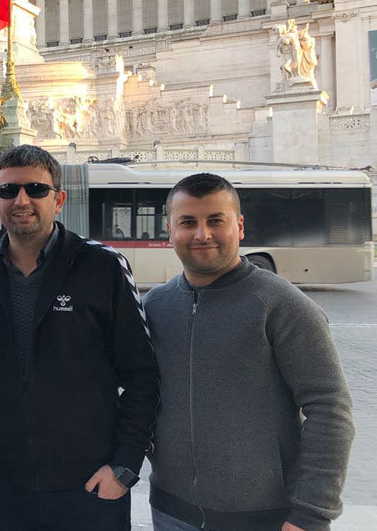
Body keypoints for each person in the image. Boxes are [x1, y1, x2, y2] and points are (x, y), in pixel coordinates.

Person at [0, 145, 158, 531]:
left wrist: (124, 467)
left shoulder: (103, 265)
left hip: (89, 485)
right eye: (8, 191)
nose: (21, 200)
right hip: (6, 485)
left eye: (36, 189)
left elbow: (142, 375)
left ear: (59, 199)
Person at [144, 174, 354, 531]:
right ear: (169, 230)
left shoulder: (283, 305)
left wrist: (312, 513)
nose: (202, 234)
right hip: (170, 513)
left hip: (266, 519)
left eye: (215, 221)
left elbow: (330, 409)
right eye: (188, 222)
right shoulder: (155, 306)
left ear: (238, 226)